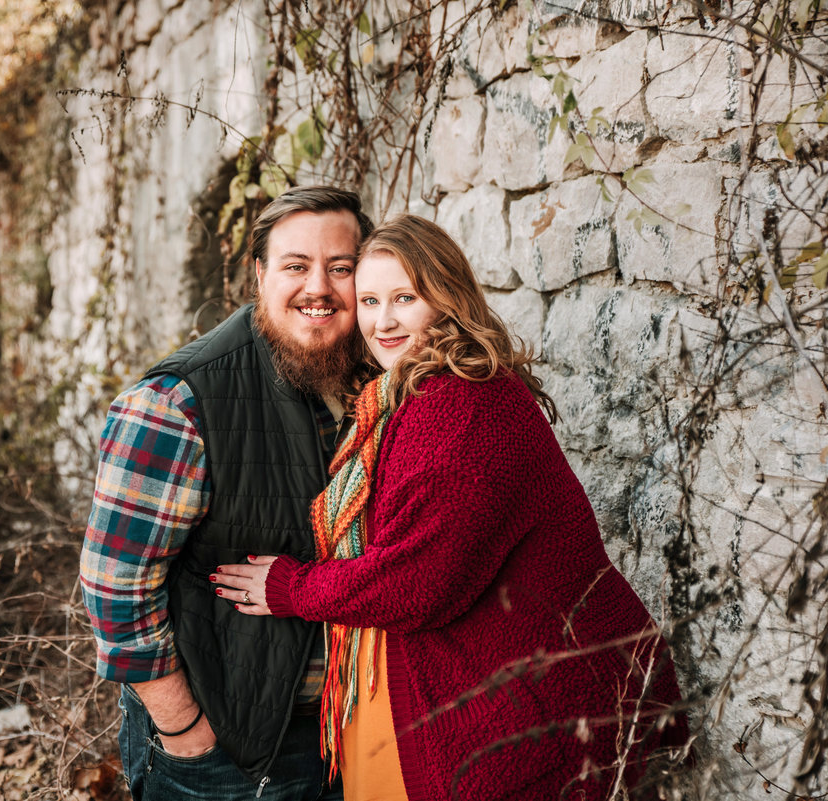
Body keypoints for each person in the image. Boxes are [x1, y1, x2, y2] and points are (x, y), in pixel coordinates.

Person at [212, 214, 689, 800]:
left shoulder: (459, 406)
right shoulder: (412, 393)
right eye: (368, 300)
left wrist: (291, 589)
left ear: (445, 299)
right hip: (512, 690)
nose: (382, 321)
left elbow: (420, 581)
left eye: (404, 298)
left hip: (532, 709)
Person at [80, 186, 375, 799]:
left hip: (351, 730)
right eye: (296, 266)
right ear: (261, 274)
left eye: (340, 268)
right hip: (226, 752)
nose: (318, 287)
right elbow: (115, 586)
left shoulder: (375, 384)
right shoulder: (176, 405)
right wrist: (185, 728)